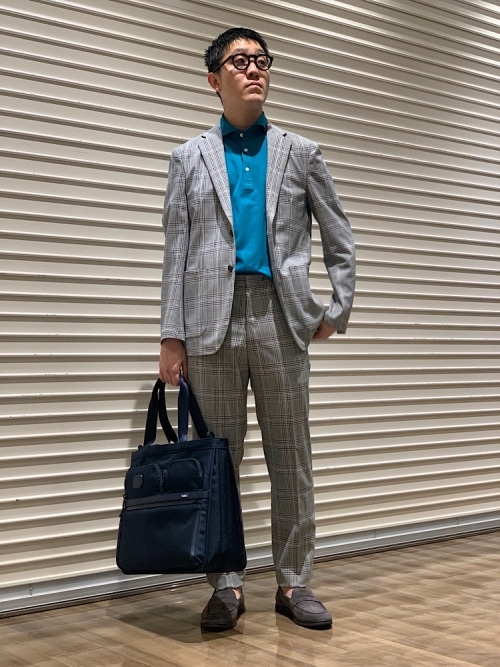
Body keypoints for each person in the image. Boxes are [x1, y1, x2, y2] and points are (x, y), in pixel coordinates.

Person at [159, 27, 355, 632]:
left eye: (262, 60)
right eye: (240, 61)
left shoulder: (301, 152)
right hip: (209, 325)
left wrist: (336, 309)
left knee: (291, 457)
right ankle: (226, 586)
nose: (254, 69)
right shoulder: (188, 158)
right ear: (214, 79)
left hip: (279, 317)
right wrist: (171, 335)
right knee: (220, 462)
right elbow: (176, 251)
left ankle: (294, 582)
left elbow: (339, 237)